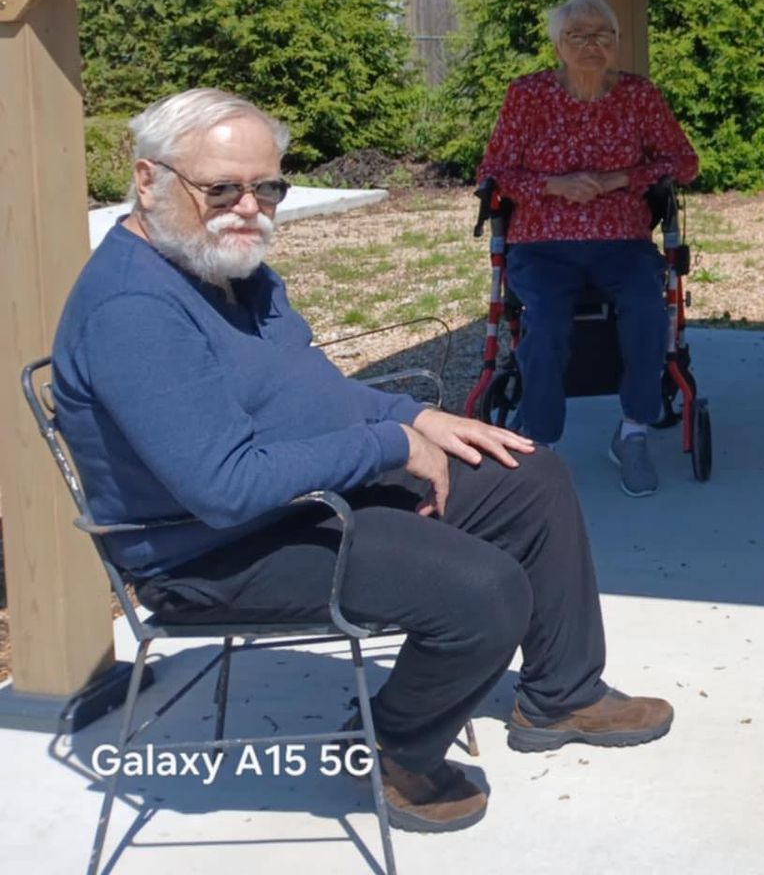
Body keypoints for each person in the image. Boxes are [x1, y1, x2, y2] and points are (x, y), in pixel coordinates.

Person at [53, 89, 676, 834]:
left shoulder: (229, 269)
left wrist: (417, 417)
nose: (248, 208)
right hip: (208, 549)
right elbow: (223, 489)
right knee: (482, 590)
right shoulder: (136, 308)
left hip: (290, 493)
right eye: (220, 187)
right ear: (148, 181)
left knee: (525, 474)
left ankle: (563, 693)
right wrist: (390, 444)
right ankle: (396, 748)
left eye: (268, 187)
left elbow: (316, 394)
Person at [477, 0, 699, 497]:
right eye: (577, 35)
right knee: (547, 320)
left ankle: (634, 431)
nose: (591, 45)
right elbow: (493, 171)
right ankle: (541, 441)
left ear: (617, 43)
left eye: (602, 35)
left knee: (646, 308)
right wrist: (555, 185)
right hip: (542, 241)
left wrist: (621, 178)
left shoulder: (639, 96)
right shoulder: (527, 95)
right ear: (558, 44)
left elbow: (683, 162)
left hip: (622, 239)